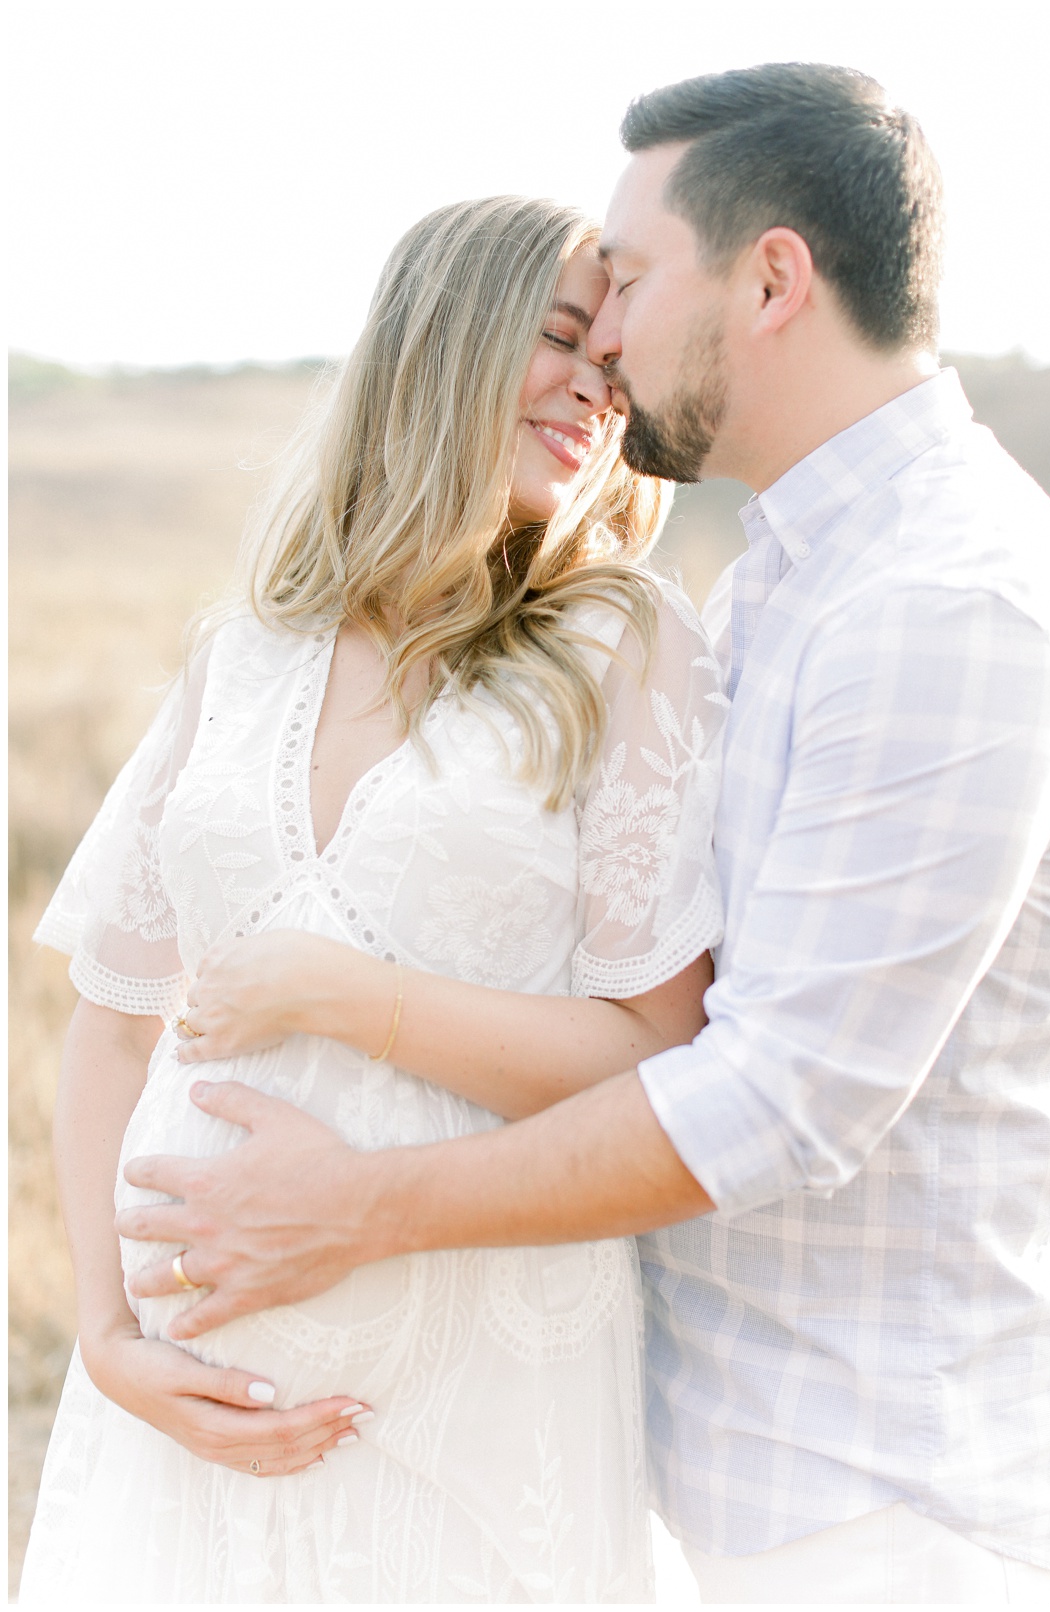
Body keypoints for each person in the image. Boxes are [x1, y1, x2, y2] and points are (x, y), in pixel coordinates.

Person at [117, 65, 1050, 1605]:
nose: (606, 339)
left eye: (623, 281)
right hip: (719, 1457)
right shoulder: (786, 575)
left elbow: (780, 1098)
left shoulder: (940, 600)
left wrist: (358, 1207)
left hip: (883, 1496)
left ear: (771, 279)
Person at [20, 195, 730, 1602]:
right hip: (195, 1405)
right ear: (445, 341)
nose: (596, 386)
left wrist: (359, 1001)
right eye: (563, 338)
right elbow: (109, 1026)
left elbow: (666, 1054)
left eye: (618, 368)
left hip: (479, 1387)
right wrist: (107, 1336)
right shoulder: (248, 655)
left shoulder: (622, 644)